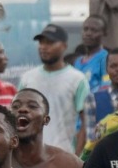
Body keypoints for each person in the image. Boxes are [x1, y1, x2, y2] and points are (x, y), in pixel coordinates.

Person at [20, 24, 92, 155]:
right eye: (41, 42)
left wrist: (77, 158)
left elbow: (86, 122)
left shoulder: (77, 79)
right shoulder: (27, 78)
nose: (43, 47)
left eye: (50, 42)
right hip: (30, 157)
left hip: (63, 155)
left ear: (64, 46)